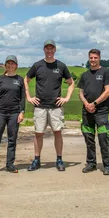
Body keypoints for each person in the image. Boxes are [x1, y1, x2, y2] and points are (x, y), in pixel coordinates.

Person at [25, 39, 75, 171]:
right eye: (47, 48)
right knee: (38, 133)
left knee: (57, 132)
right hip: (40, 106)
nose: (49, 51)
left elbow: (71, 83)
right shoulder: (37, 66)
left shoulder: (61, 66)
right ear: (43, 50)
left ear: (55, 50)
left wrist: (67, 98)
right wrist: (29, 97)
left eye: (51, 48)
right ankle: (37, 160)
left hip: (56, 107)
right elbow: (26, 80)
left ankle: (59, 159)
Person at [78, 49, 109, 175]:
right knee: (89, 139)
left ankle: (107, 165)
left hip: (101, 111)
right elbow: (80, 92)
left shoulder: (106, 72)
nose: (93, 60)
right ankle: (91, 163)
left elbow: (107, 91)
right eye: (91, 58)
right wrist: (86, 103)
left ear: (99, 58)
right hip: (87, 112)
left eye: (95, 58)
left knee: (103, 138)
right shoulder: (85, 75)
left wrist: (94, 104)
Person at [0, 55, 25, 174]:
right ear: (5, 65)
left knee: (12, 140)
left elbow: (22, 98)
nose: (10, 65)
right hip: (0, 113)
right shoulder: (0, 79)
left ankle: (10, 165)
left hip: (14, 113)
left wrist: (22, 112)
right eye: (8, 63)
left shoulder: (20, 79)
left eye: (12, 63)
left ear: (16, 66)